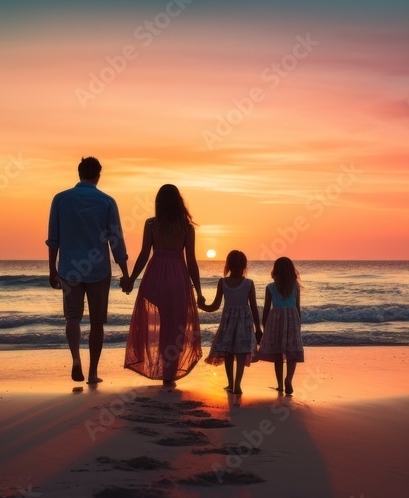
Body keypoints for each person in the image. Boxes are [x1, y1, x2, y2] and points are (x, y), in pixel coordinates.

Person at [46, 157, 129, 384]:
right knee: (96, 322)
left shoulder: (61, 199)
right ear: (98, 175)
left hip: (69, 268)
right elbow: (116, 240)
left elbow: (54, 239)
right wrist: (125, 271)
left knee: (72, 318)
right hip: (99, 270)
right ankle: (92, 372)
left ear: (79, 173)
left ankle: (75, 359)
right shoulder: (107, 202)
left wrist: (52, 269)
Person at [121, 184, 203, 388]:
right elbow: (191, 261)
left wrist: (131, 279)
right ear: (179, 203)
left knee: (151, 321)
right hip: (177, 277)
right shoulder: (186, 227)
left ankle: (155, 365)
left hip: (156, 275)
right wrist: (199, 290)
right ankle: (169, 373)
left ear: (158, 202)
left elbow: (143, 254)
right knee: (175, 328)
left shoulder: (151, 224)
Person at [199, 250, 262, 395]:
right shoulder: (248, 283)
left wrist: (202, 306)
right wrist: (258, 328)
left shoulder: (223, 282)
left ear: (228, 264)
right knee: (241, 353)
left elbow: (215, 306)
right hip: (245, 322)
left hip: (228, 322)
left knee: (227, 352)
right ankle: (238, 384)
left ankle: (230, 383)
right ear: (244, 265)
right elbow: (253, 307)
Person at [256, 257, 304, 395]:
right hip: (292, 319)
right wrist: (298, 323)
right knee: (292, 352)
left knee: (278, 352)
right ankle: (288, 379)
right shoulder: (295, 285)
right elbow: (297, 306)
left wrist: (265, 326)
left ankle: (280, 385)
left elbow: (266, 308)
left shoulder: (270, 287)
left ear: (275, 270)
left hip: (276, 320)